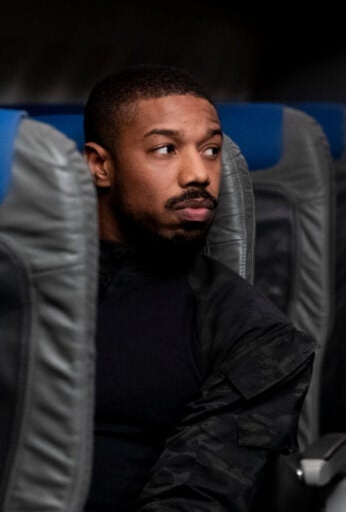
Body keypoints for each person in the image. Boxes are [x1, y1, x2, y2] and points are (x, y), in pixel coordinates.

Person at [81, 64, 319, 511]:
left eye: (211, 150)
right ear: (100, 166)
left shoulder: (257, 337)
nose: (199, 174)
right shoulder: (25, 293)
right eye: (165, 149)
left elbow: (197, 499)